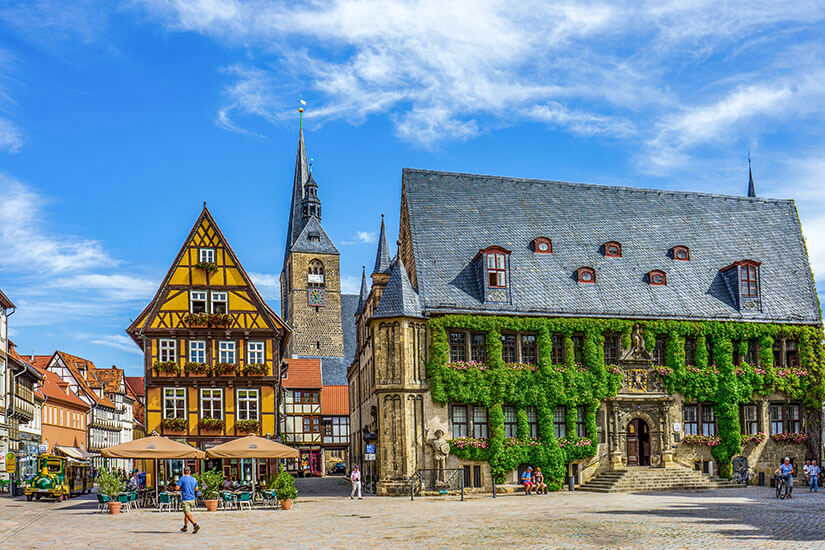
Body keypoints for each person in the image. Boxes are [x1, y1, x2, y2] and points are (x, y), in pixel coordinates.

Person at [176, 467, 200, 534]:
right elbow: (196, 488)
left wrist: (183, 489)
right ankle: (185, 526)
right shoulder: (194, 479)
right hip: (192, 498)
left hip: (186, 498)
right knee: (187, 513)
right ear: (190, 471)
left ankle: (195, 525)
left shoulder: (182, 479)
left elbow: (177, 488)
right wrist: (191, 490)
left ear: (184, 472)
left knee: (187, 513)